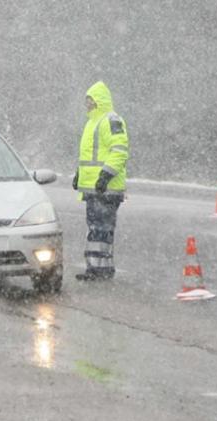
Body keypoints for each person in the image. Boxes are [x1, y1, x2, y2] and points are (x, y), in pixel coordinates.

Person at [72, 81, 129, 281]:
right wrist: (79, 175)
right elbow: (89, 155)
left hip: (107, 188)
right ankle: (97, 268)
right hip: (94, 189)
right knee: (96, 229)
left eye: (90, 101)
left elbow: (120, 151)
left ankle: (100, 270)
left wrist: (106, 175)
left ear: (99, 101)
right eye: (87, 101)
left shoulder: (111, 120)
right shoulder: (92, 123)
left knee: (101, 229)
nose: (87, 104)